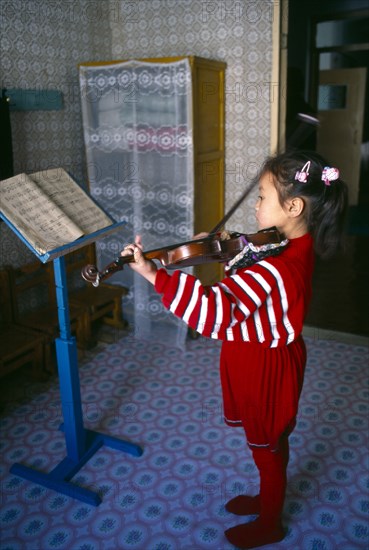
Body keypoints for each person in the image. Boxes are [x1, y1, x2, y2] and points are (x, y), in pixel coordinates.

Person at [120, 150, 348, 549]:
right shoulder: (295, 245)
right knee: (270, 441)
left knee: (266, 443)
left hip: (264, 367)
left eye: (262, 197)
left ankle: (271, 521)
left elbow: (214, 311)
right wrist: (225, 247)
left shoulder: (273, 269)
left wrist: (156, 275)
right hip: (267, 356)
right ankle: (268, 493)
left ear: (293, 206)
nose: (256, 205)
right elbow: (253, 262)